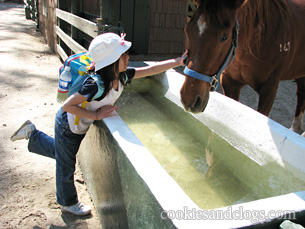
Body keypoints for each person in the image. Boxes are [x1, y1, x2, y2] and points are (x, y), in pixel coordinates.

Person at [10, 32, 188, 216]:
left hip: (77, 126)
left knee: (62, 154)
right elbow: (67, 105)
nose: (128, 57)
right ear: (111, 61)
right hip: (67, 125)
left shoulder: (122, 76)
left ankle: (32, 133)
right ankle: (67, 203)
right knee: (66, 164)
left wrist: (178, 61)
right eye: (123, 55)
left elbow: (151, 70)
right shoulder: (96, 83)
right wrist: (95, 115)